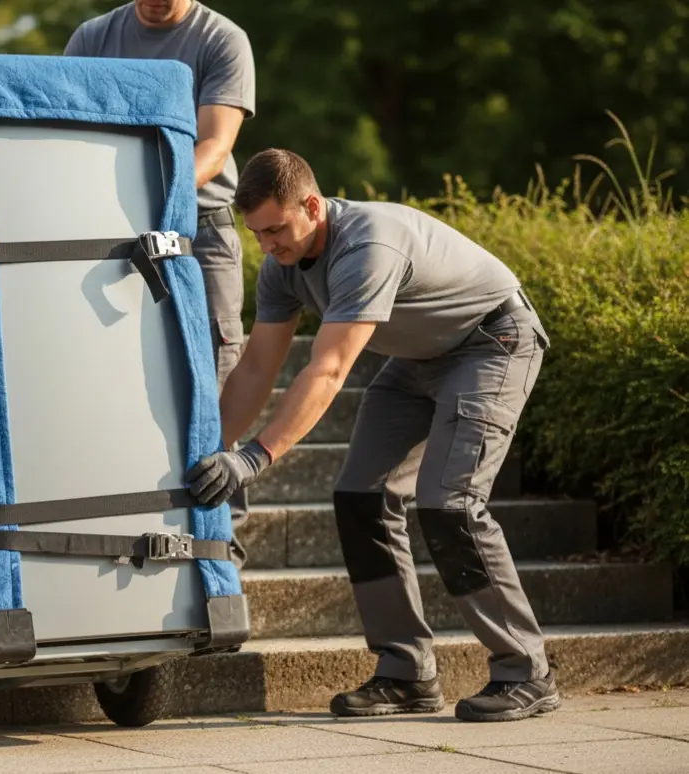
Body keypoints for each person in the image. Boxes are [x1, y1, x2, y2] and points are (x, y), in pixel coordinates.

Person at [185, 148, 560, 722]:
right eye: (256, 234)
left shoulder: (367, 244)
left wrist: (256, 458)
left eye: (276, 229)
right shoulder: (283, 266)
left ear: (312, 205)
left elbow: (329, 370)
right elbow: (258, 367)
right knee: (360, 495)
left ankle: (526, 670)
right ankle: (406, 671)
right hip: (417, 358)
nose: (267, 246)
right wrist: (210, 450)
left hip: (491, 341)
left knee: (450, 504)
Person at [63, 0, 258, 565]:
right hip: (108, 231)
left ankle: (224, 536)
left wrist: (150, 198)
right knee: (121, 372)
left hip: (201, 229)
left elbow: (214, 147)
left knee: (216, 373)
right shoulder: (93, 38)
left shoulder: (223, 40)